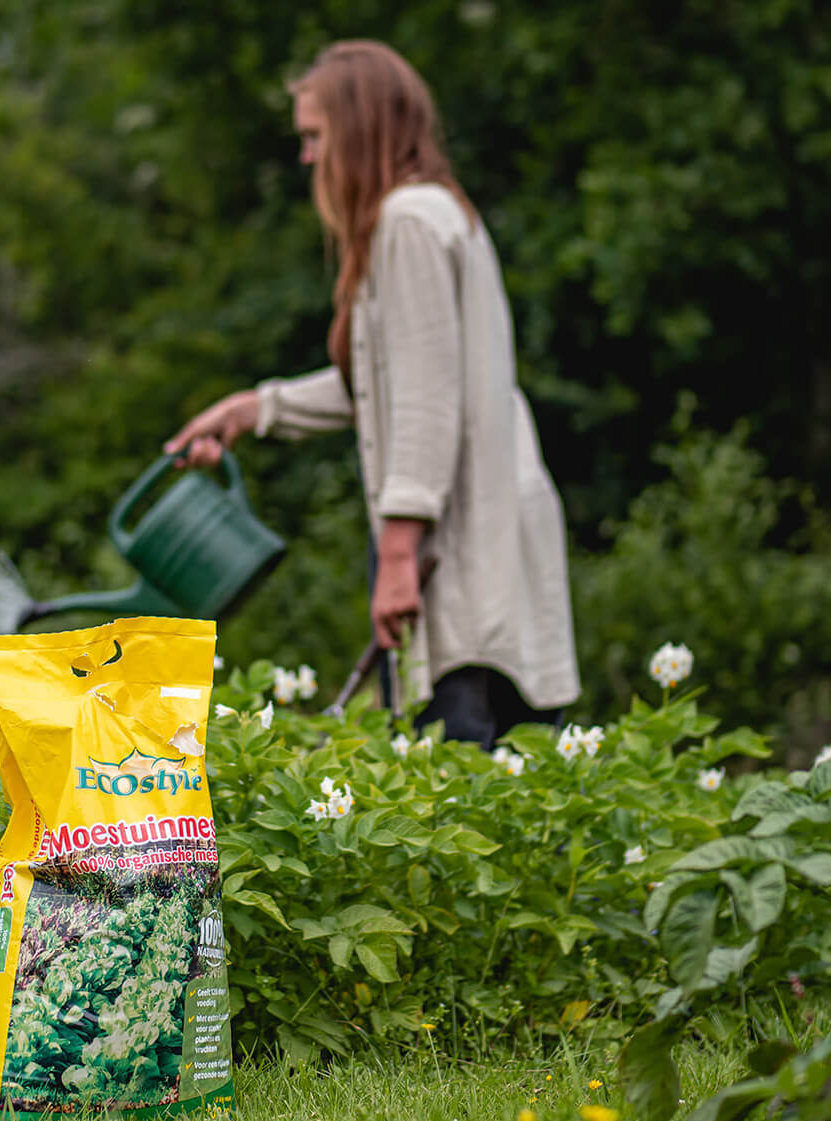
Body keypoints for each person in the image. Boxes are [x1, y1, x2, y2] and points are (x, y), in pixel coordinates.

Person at [165, 40, 579, 748]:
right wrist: (256, 409)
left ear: (358, 131)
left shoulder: (406, 224)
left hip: (453, 553)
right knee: (519, 783)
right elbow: (401, 380)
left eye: (314, 137)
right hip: (492, 536)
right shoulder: (443, 212)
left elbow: (423, 404)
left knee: (455, 791)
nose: (306, 158)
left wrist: (395, 556)